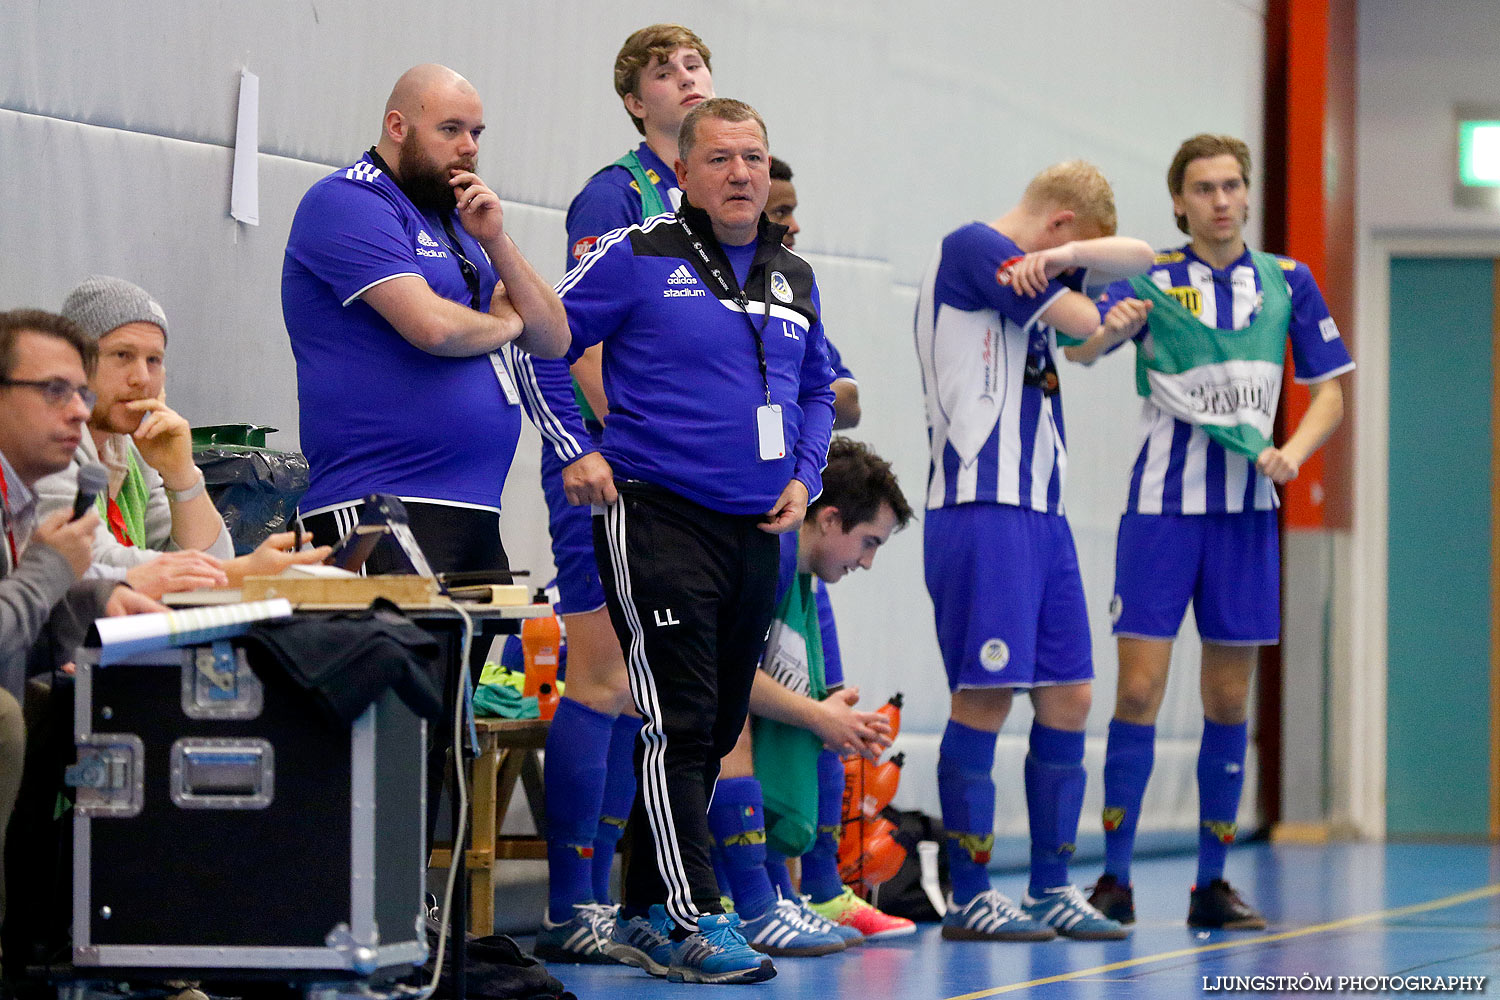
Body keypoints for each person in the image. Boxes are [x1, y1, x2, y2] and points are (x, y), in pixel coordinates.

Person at [531, 98, 835, 984]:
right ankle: (698, 913)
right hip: (657, 512)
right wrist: (575, 448)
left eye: (753, 158)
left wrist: (803, 476)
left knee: (715, 721)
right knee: (677, 717)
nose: (740, 173)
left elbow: (817, 388)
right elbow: (540, 343)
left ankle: (637, 912)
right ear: (687, 174)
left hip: (756, 527)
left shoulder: (795, 275)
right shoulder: (640, 254)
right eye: (721, 159)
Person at [1086, 134, 1354, 931]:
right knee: (1138, 690)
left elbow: (1333, 390)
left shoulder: (1287, 281)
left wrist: (1292, 453)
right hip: (1161, 513)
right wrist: (1108, 327)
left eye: (1232, 185)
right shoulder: (1152, 278)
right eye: (1203, 188)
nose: (1221, 200)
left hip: (1246, 517)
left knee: (1228, 698)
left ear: (1248, 193)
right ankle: (1114, 880)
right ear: (1178, 201)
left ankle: (1210, 883)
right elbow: (1081, 344)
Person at [914, 161, 1155, 943]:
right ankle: (976, 889)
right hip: (983, 504)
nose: (1078, 277)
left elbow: (1142, 263)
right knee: (984, 696)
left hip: (1041, 512)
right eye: (1071, 256)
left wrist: (1061, 264)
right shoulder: (973, 249)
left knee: (1070, 697)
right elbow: (1090, 322)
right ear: (1055, 223)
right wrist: (1070, 283)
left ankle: (1052, 886)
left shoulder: (1042, 268)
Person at [528, 24, 715, 965]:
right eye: (663, 71)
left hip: (685, 491)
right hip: (610, 474)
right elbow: (575, 336)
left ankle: (631, 898)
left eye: (695, 65)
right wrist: (637, 451)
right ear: (636, 103)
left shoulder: (716, 206)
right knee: (602, 679)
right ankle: (571, 905)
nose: (685, 78)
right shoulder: (617, 195)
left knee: (654, 697)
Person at [282, 63, 568, 574]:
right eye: (450, 129)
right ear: (398, 127)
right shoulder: (349, 201)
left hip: (476, 505)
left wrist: (496, 240)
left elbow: (554, 337)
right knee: (398, 656)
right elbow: (430, 326)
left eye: (476, 132)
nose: (469, 148)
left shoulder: (455, 218)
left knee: (459, 657)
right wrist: (504, 326)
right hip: (381, 504)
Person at [709, 437, 916, 954]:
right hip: (670, 702)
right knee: (744, 721)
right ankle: (752, 902)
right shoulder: (772, 555)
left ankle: (780, 894)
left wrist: (830, 719)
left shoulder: (797, 571)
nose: (867, 562)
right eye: (869, 541)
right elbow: (723, 673)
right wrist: (819, 718)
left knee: (816, 714)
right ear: (827, 519)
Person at [0, 309, 164, 937]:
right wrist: (51, 571)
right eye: (53, 392)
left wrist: (94, 602)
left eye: (80, 393)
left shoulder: (18, 497)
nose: (76, 412)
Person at [37, 277, 329, 596]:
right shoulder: (48, 442)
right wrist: (239, 573)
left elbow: (207, 560)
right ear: (75, 363)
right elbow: (86, 564)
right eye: (122, 355)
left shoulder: (128, 452)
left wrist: (181, 474)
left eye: (154, 360)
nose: (141, 378)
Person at [768, 156, 860, 430]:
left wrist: (780, 394)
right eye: (781, 212)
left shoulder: (791, 297)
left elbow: (850, 402)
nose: (795, 226)